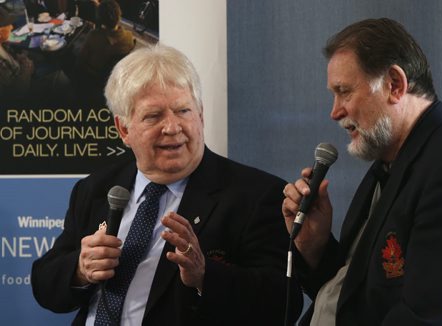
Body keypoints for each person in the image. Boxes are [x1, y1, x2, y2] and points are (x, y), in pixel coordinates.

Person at [31, 43, 303, 325]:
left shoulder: (255, 195)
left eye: (183, 111)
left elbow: (284, 303)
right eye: (154, 116)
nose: (172, 127)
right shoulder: (97, 189)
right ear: (123, 129)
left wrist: (204, 276)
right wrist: (79, 270)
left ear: (201, 115)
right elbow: (45, 286)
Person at [282, 18, 442, 326]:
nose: (334, 112)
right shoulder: (389, 163)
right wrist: (315, 246)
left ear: (394, 84)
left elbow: (429, 317)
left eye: (344, 92)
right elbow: (355, 298)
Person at [73, 0, 134, 105]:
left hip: (93, 75)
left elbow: (80, 61)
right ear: (119, 16)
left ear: (99, 19)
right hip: (112, 75)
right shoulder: (129, 37)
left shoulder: (93, 36)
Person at [0, 6, 34, 101]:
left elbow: (13, 58)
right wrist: (27, 70)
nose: (10, 27)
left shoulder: (3, 44)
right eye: (4, 24)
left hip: (25, 75)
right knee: (60, 79)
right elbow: (15, 95)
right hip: (26, 96)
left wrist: (21, 57)